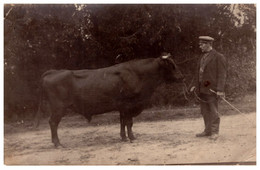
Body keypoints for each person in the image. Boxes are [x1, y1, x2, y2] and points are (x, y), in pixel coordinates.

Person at [190, 36, 227, 140]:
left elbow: (222, 75)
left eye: (202, 44)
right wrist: (194, 85)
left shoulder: (219, 57)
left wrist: (220, 90)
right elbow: (198, 73)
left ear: (208, 44)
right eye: (200, 44)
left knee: (213, 111)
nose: (200, 46)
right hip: (202, 89)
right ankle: (208, 131)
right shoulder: (201, 57)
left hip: (212, 89)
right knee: (204, 111)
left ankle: (215, 132)